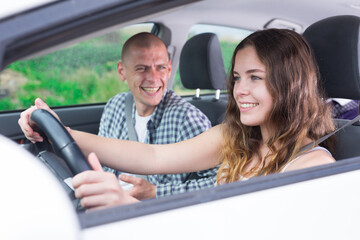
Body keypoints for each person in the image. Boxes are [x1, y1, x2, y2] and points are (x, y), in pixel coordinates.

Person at [19, 29, 336, 210]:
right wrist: (60, 128)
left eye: (255, 78)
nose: (239, 90)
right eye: (237, 77)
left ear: (290, 83)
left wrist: (126, 208)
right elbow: (154, 156)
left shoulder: (313, 167)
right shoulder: (238, 136)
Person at [20, 32, 218, 202]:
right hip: (108, 203)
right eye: (142, 68)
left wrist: (157, 193)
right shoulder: (115, 106)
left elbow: (220, 185)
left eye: (161, 68)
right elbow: (99, 162)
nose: (153, 78)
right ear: (122, 71)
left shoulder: (189, 119)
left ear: (169, 69)